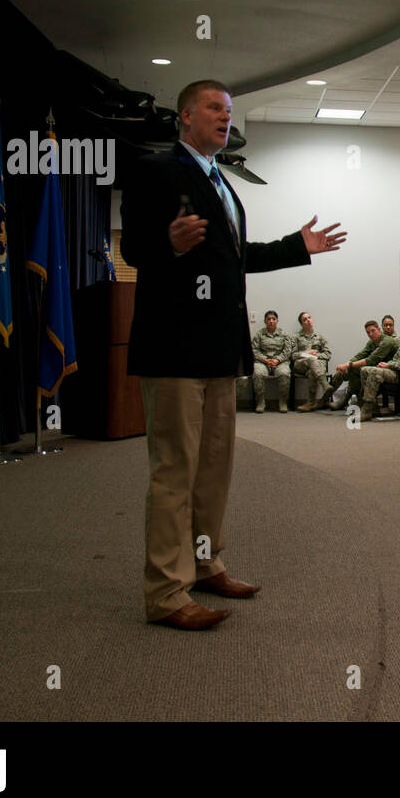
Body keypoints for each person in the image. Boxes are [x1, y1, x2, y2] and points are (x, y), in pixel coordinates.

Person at [121, 78, 345, 630]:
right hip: (173, 348)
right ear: (185, 117)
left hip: (221, 350)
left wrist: (298, 246)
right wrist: (167, 244)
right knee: (175, 472)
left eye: (229, 110)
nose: (225, 117)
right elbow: (132, 247)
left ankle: (204, 562)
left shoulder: (222, 182)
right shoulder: (156, 169)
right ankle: (167, 594)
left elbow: (233, 258)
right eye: (214, 108)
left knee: (214, 470)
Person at [358, 314, 400, 421]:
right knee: (364, 370)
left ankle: (367, 409)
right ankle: (374, 406)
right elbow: (396, 359)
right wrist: (385, 365)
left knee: (373, 372)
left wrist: (389, 365)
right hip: (395, 371)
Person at [327, 320, 397, 410]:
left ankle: (348, 400)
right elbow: (360, 355)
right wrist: (346, 364)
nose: (370, 334)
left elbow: (371, 360)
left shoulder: (387, 341)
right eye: (368, 332)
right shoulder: (372, 342)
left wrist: (349, 365)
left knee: (353, 369)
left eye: (373, 331)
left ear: (379, 330)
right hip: (377, 368)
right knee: (342, 372)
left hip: (390, 370)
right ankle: (325, 399)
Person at [249, 310, 293, 413]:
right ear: (265, 321)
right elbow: (255, 350)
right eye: (268, 319)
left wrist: (277, 360)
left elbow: (287, 351)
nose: (271, 321)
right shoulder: (259, 334)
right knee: (258, 373)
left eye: (273, 319)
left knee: (284, 374)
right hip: (262, 361)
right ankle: (260, 402)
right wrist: (265, 360)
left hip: (280, 361)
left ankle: (283, 402)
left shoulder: (283, 334)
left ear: (277, 320)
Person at [290, 311, 332, 411]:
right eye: (305, 319)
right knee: (311, 360)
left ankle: (310, 402)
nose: (308, 320)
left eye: (309, 317)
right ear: (301, 324)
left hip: (316, 365)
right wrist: (306, 353)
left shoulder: (320, 337)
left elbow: (328, 354)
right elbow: (293, 355)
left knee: (312, 371)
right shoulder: (295, 337)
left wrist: (316, 355)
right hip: (301, 365)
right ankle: (325, 385)